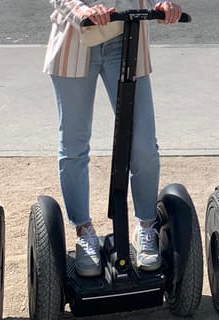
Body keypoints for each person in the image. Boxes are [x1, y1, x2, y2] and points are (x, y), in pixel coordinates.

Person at [43, 0, 183, 277]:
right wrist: (82, 10)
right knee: (74, 144)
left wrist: (162, 3)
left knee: (143, 145)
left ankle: (145, 227)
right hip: (77, 39)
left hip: (127, 38)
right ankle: (84, 231)